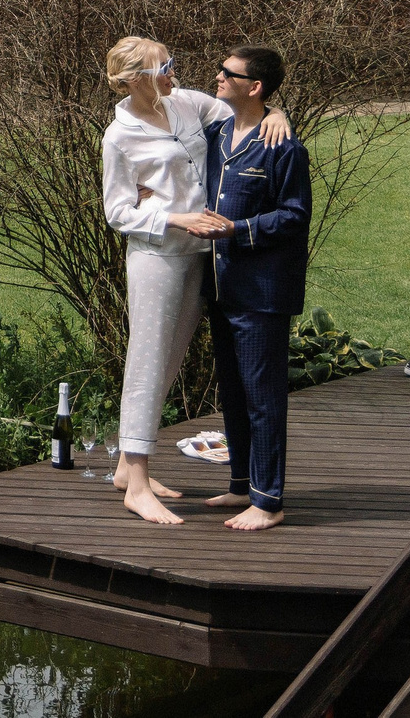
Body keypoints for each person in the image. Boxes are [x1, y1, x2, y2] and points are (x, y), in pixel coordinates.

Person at [99, 37, 286, 526]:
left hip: (202, 255)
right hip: (157, 259)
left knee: (171, 359)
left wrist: (277, 112)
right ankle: (136, 486)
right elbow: (117, 211)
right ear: (137, 78)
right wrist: (174, 217)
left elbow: (239, 113)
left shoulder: (185, 103)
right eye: (166, 66)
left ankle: (125, 467)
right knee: (147, 361)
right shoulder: (119, 136)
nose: (175, 72)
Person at [197, 44, 309, 531]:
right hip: (221, 290)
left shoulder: (283, 146)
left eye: (228, 73)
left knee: (264, 397)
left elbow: (294, 215)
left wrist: (237, 231)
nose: (217, 77)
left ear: (255, 86)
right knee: (234, 392)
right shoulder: (215, 132)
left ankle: (269, 501)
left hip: (262, 294)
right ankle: (241, 485)